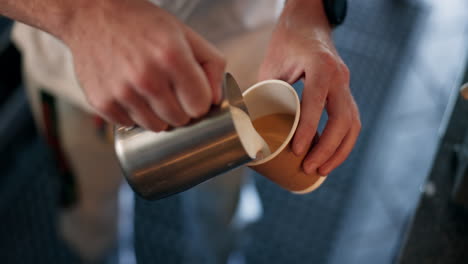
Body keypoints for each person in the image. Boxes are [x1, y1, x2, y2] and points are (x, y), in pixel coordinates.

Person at [1, 0, 361, 262]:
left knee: (223, 205)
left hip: (238, 57)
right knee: (90, 213)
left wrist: (309, 13)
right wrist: (80, 15)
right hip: (72, 70)